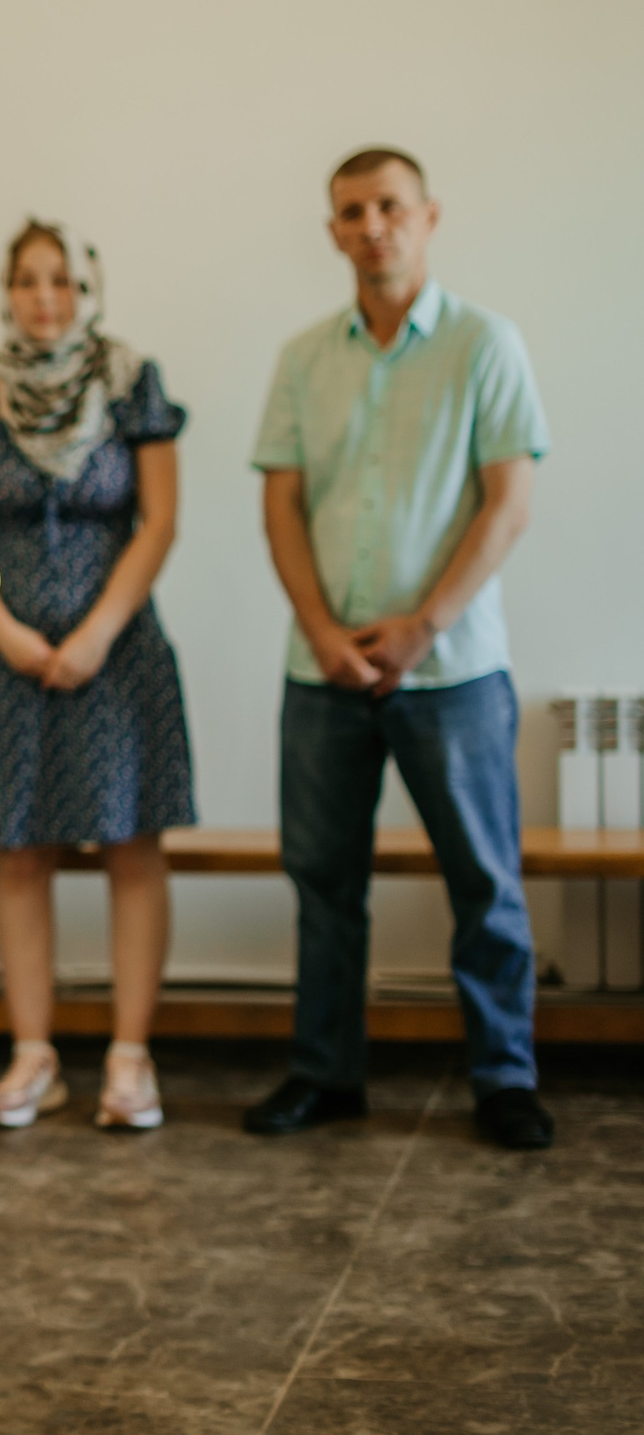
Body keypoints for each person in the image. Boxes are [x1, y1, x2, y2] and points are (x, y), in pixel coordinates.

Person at [245, 148, 552, 1150]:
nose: (370, 222)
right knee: (323, 881)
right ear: (332, 229)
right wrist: (327, 633)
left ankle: (504, 1076)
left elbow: (508, 503)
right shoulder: (301, 357)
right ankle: (325, 1072)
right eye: (350, 209)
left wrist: (420, 626)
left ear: (427, 216)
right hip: (321, 671)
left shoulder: (485, 343)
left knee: (483, 880)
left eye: (388, 205)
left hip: (453, 669)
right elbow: (281, 504)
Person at [0, 221, 192, 1131]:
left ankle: (130, 1059)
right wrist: (4, 634)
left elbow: (158, 523)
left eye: (64, 282)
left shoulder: (132, 383)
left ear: (90, 290)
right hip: (8, 655)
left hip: (117, 654)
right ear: (7, 291)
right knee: (20, 849)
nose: (47, 297)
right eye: (30, 280)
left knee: (132, 844)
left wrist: (92, 636)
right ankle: (32, 1055)